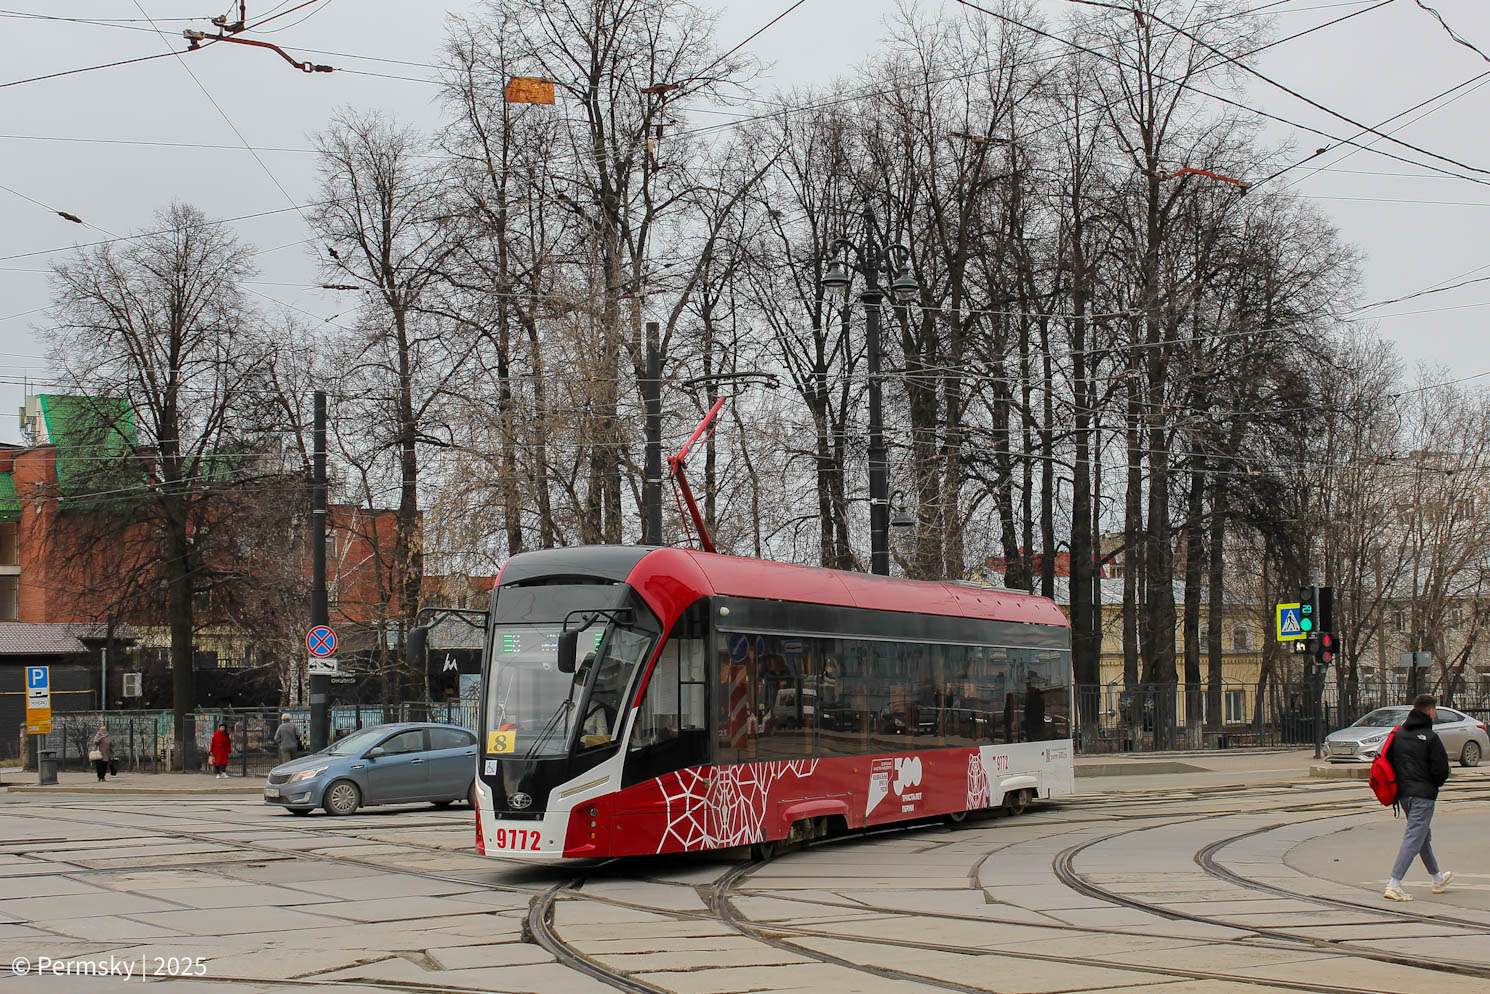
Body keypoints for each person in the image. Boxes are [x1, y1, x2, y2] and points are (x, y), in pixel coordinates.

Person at [1384, 693, 1453, 902]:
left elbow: (1388, 761)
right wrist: (1432, 783)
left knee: (1422, 836)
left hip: (1404, 795)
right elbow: (1441, 771)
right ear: (1431, 711)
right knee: (1415, 836)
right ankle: (1394, 883)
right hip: (1424, 795)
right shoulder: (1431, 738)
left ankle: (1437, 878)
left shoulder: (1398, 734)